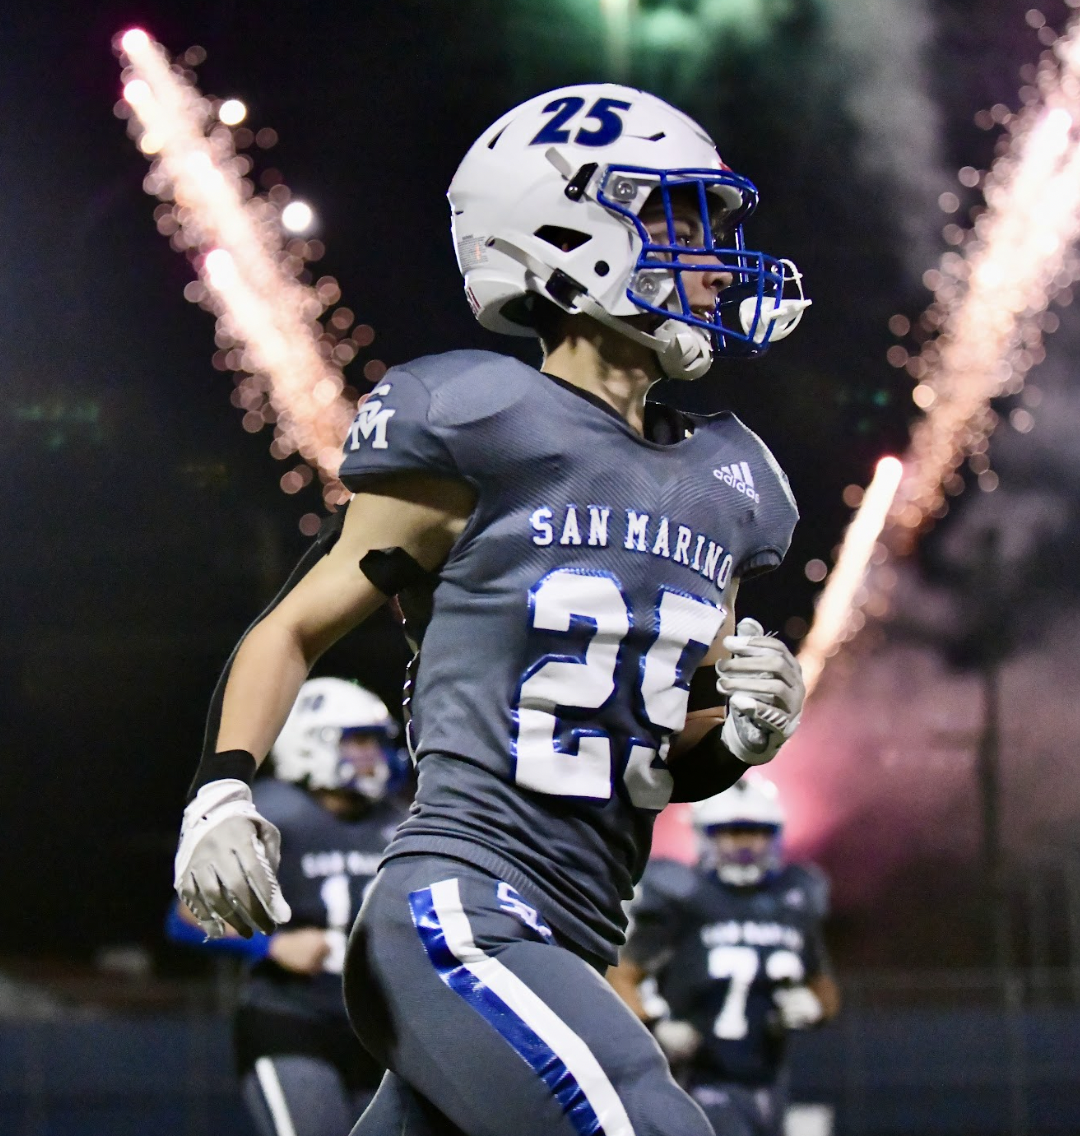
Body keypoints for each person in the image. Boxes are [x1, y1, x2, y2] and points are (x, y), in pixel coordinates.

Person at [173, 82, 811, 1136]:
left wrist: (741, 734)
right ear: (566, 228)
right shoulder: (479, 419)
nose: (708, 254)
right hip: (459, 910)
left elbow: (659, 750)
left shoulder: (732, 481)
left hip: (572, 936)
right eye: (676, 219)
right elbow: (294, 623)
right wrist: (221, 789)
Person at [168, 677, 408, 1136]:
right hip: (293, 1021)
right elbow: (184, 916)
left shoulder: (397, 822)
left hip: (376, 1030)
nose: (373, 755)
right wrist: (272, 946)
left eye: (376, 742)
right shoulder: (273, 814)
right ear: (311, 743)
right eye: (359, 740)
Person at [609, 777, 841, 1136]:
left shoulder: (791, 899)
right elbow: (621, 975)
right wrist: (656, 1024)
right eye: (732, 832)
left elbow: (823, 985)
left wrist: (813, 1005)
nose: (745, 844)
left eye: (756, 832)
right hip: (697, 1077)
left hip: (769, 1080)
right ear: (707, 835)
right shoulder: (685, 896)